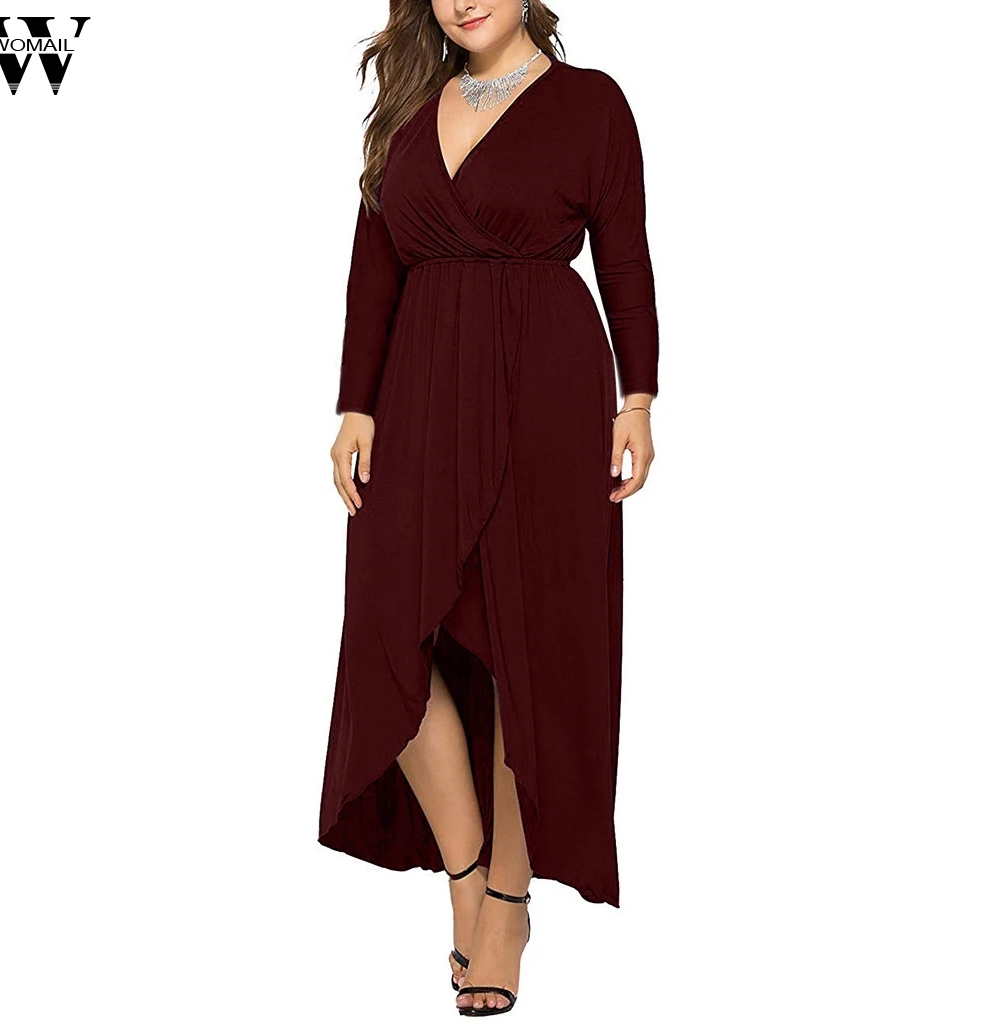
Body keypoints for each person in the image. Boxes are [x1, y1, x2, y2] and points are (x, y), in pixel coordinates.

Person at [319, 0, 659, 1014]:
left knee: (528, 642)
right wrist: (354, 403)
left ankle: (505, 904)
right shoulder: (407, 104)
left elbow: (625, 252)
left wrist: (638, 398)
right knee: (386, 633)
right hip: (420, 387)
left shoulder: (591, 104)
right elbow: (374, 261)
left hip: (545, 383)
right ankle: (468, 875)